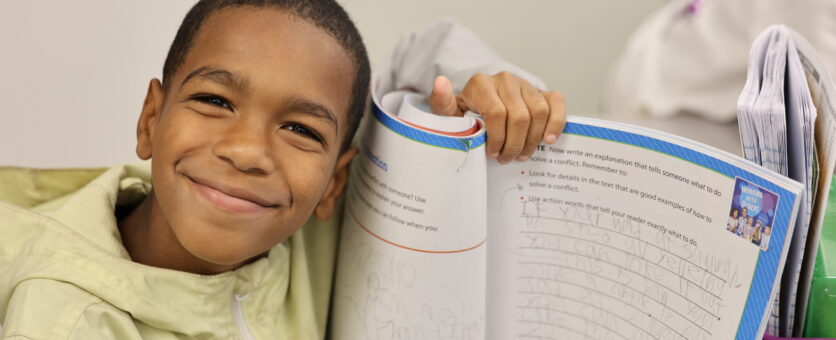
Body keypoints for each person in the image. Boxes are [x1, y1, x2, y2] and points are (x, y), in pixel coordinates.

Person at [0, 1, 566, 339]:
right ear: (151, 118)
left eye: (301, 130)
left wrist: (488, 84)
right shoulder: (63, 321)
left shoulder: (307, 223)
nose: (247, 151)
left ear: (335, 182)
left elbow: (424, 52)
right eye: (215, 101)